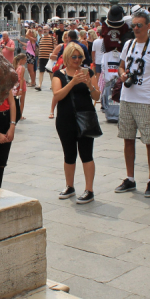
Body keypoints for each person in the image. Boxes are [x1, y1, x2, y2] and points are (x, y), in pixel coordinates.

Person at [115, 12, 150, 198]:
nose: (135, 28)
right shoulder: (128, 44)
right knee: (127, 138)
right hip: (127, 98)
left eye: (139, 25)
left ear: (148, 26)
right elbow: (121, 65)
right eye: (134, 25)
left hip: (146, 100)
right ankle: (130, 178)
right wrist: (122, 74)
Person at [52, 42, 100, 204]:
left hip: (85, 117)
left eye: (80, 57)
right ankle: (69, 186)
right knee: (69, 154)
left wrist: (88, 84)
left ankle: (89, 190)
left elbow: (97, 96)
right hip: (65, 120)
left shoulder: (88, 72)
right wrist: (72, 82)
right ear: (67, 57)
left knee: (86, 154)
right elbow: (57, 95)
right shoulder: (59, 74)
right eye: (74, 56)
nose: (78, 60)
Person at [36, 26, 56, 91]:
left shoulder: (52, 38)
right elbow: (39, 48)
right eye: (43, 29)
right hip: (42, 57)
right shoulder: (41, 38)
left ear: (48, 30)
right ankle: (39, 85)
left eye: (46, 29)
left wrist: (54, 56)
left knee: (51, 72)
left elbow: (55, 48)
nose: (44, 31)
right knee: (41, 72)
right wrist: (38, 57)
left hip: (49, 58)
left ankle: (52, 85)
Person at [12, 54, 27, 120]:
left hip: (15, 86)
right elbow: (21, 78)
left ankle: (15, 115)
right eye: (25, 60)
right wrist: (21, 89)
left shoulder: (14, 66)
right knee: (22, 101)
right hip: (21, 86)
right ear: (21, 60)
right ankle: (20, 115)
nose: (25, 61)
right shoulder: (22, 68)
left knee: (15, 101)